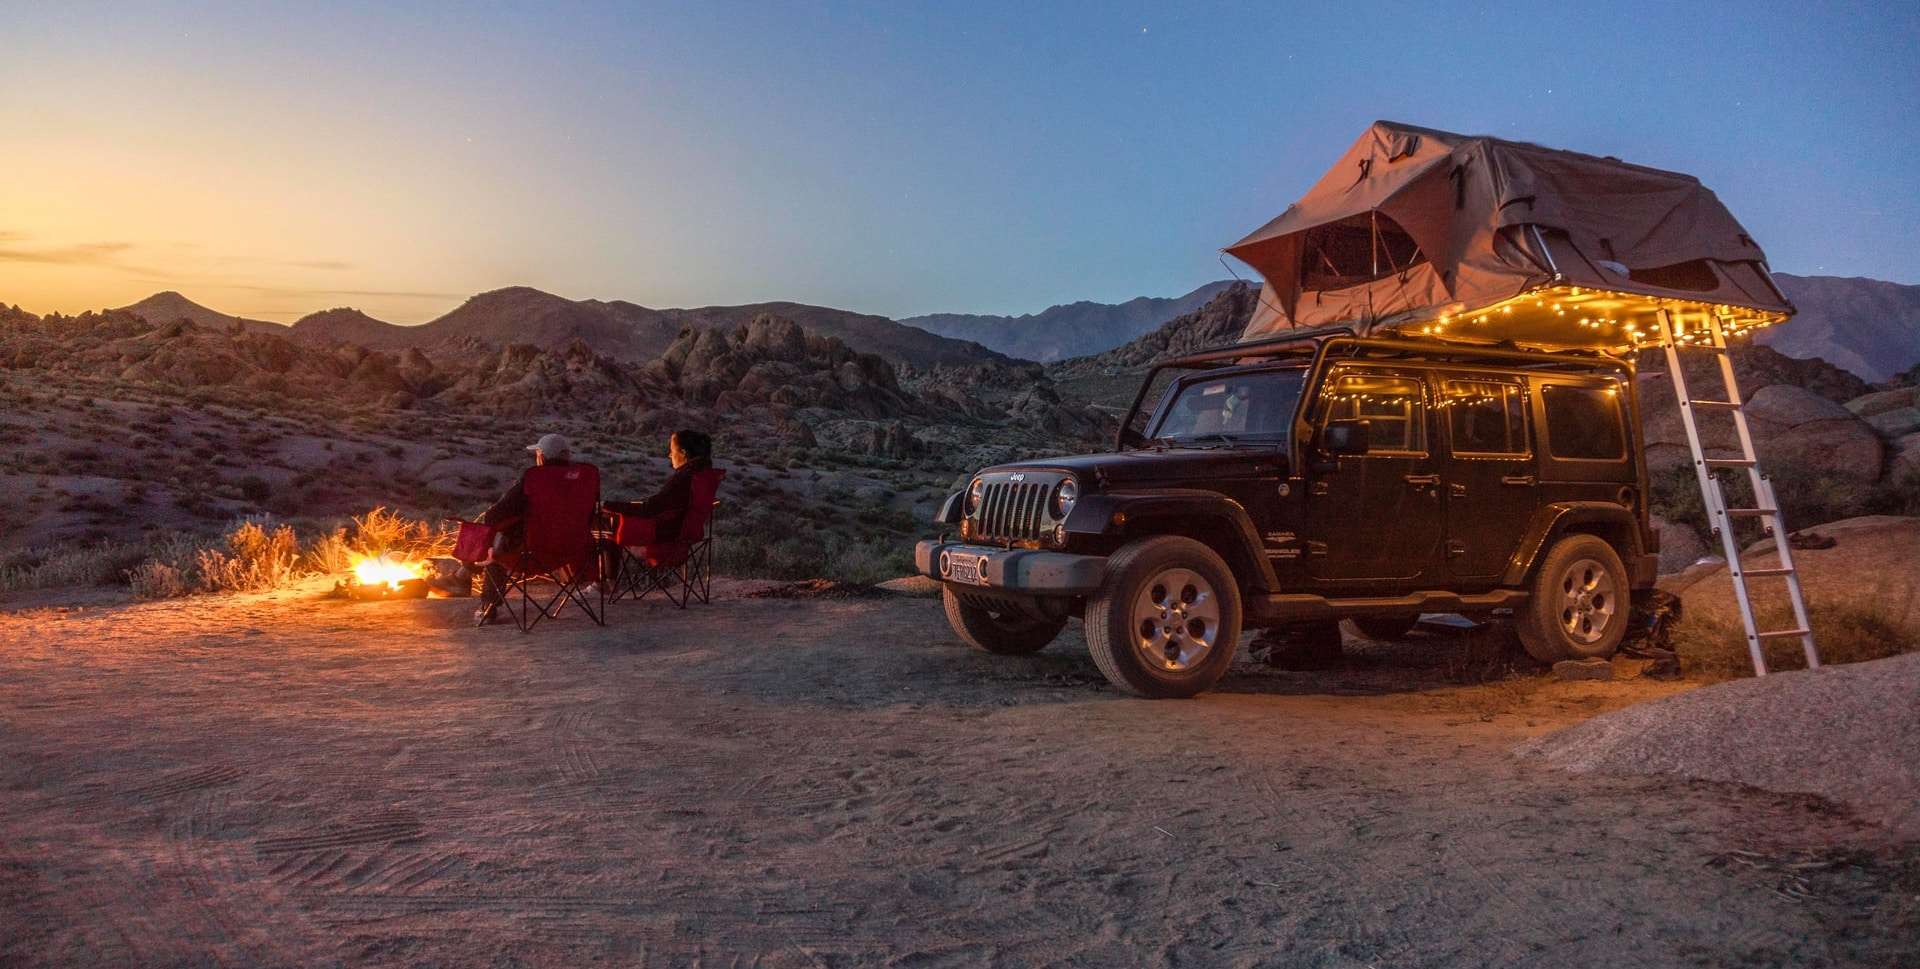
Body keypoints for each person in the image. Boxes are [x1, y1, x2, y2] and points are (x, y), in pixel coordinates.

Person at [473, 432, 579, 626]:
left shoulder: (534, 480)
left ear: (542, 457)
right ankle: (465, 573)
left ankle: (488, 607)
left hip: (531, 552)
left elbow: (494, 515)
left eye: (537, 453)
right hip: (572, 551)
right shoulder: (582, 480)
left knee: (496, 543)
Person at [600, 429, 714, 579]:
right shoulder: (702, 476)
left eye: (672, 451)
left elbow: (650, 509)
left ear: (683, 453)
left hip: (662, 537)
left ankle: (605, 584)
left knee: (602, 522)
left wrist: (608, 505)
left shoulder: (683, 478)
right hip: (686, 537)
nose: (669, 455)